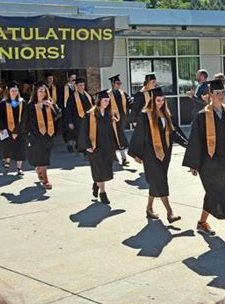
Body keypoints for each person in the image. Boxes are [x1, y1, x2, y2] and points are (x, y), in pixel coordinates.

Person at [183, 79, 225, 244]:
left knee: (213, 194)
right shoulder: (202, 116)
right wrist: (194, 164)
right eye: (217, 93)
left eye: (223, 93)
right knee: (222, 195)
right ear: (209, 96)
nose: (221, 96)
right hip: (208, 164)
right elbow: (195, 141)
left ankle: (201, 223)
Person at [128, 87, 188, 223]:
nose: (160, 103)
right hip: (151, 154)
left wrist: (186, 144)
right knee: (161, 180)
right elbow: (138, 135)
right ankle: (170, 212)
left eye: (162, 100)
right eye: (157, 100)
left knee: (156, 182)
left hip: (165, 153)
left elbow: (174, 132)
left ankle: (149, 208)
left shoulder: (165, 114)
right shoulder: (145, 114)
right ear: (152, 100)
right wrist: (136, 153)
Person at [78, 90, 127, 204]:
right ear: (99, 101)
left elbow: (116, 131)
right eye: (105, 100)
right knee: (99, 169)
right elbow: (84, 131)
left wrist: (120, 143)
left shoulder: (110, 115)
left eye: (108, 101)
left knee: (105, 170)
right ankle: (103, 193)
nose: (107, 103)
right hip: (95, 147)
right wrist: (87, 146)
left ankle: (96, 184)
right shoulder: (90, 115)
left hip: (107, 147)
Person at [25, 81, 61, 189]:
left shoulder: (49, 103)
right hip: (35, 135)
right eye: (40, 91)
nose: (43, 93)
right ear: (35, 92)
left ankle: (40, 170)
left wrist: (52, 107)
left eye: (44, 91)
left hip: (48, 135)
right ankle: (45, 179)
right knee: (40, 156)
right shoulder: (30, 106)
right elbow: (25, 121)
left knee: (45, 156)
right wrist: (38, 106)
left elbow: (58, 115)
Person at [0, 81, 27, 176]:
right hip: (7, 130)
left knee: (20, 148)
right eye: (12, 90)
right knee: (7, 148)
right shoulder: (3, 103)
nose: (14, 92)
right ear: (8, 92)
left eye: (16, 90)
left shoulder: (22, 102)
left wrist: (17, 131)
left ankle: (19, 168)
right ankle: (7, 166)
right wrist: (2, 128)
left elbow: (24, 118)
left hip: (20, 130)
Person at [107, 74, 132, 166]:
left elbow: (130, 104)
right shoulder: (108, 95)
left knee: (119, 138)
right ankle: (122, 157)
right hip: (112, 120)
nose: (119, 85)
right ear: (113, 83)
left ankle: (121, 157)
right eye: (118, 83)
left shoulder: (123, 94)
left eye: (120, 83)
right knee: (117, 138)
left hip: (121, 120)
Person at [65, 77, 93, 154]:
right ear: (76, 86)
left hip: (87, 119)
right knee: (79, 134)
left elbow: (92, 106)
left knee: (87, 133)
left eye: (83, 85)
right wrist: (70, 122)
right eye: (80, 85)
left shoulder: (88, 95)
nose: (82, 87)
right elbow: (68, 111)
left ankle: (86, 148)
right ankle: (80, 148)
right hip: (77, 119)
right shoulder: (72, 97)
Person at [62, 70, 77, 152]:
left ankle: (74, 143)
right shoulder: (64, 87)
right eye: (72, 78)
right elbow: (61, 99)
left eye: (74, 78)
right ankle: (69, 144)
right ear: (68, 78)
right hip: (66, 110)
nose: (73, 80)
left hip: (75, 110)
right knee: (68, 128)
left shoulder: (76, 87)